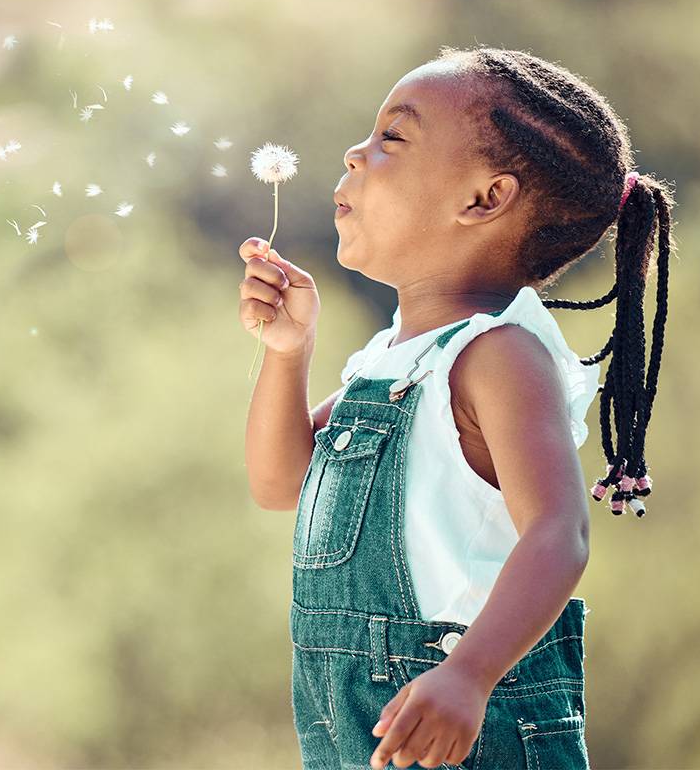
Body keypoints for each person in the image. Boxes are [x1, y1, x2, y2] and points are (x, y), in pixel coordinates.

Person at [238, 46, 677, 769]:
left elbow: (558, 533)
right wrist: (289, 353)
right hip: (362, 729)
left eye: (392, 138)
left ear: (483, 198)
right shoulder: (392, 358)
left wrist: (470, 674)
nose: (355, 152)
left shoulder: (500, 356)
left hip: (475, 733)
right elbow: (279, 483)